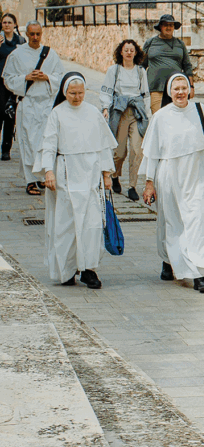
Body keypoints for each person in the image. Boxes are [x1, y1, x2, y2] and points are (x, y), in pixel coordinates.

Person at [141, 73, 204, 294]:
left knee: (198, 222)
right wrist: (149, 183)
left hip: (197, 176)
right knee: (173, 224)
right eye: (176, 89)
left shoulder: (201, 112)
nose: (181, 92)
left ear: (190, 90)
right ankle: (171, 261)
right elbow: (152, 155)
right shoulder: (161, 117)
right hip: (169, 177)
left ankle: (197, 273)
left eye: (184, 88)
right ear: (169, 92)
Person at [37, 72, 116, 288]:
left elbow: (103, 145)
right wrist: (48, 172)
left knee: (91, 225)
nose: (77, 97)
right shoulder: (57, 113)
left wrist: (106, 174)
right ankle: (68, 269)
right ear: (64, 92)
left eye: (81, 93)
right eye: (72, 93)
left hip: (90, 175)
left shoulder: (92, 113)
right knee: (66, 225)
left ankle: (89, 269)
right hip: (65, 175)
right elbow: (49, 144)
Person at [1, 20, 62, 195]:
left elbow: (60, 76)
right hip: (27, 103)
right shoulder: (17, 54)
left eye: (38, 34)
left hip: (46, 104)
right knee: (28, 143)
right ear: (26, 34)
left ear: (42, 34)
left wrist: (47, 77)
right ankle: (30, 180)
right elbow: (8, 79)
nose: (35, 37)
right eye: (32, 34)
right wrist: (26, 77)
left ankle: (43, 177)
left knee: (45, 142)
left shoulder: (51, 54)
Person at [101, 38, 151, 202]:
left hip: (136, 111)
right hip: (120, 111)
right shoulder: (114, 70)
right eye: (126, 50)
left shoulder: (140, 71)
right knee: (120, 151)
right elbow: (107, 91)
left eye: (132, 50)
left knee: (137, 150)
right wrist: (105, 107)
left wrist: (147, 115)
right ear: (121, 52)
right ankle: (115, 175)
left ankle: (132, 186)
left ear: (136, 52)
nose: (129, 52)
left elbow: (145, 94)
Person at [142, 15, 193, 114]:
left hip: (176, 88)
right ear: (160, 27)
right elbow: (142, 66)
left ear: (174, 28)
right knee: (158, 116)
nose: (168, 27)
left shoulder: (180, 44)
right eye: (165, 25)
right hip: (156, 88)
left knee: (176, 115)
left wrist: (191, 87)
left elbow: (187, 66)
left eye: (171, 25)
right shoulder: (150, 42)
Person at [0, 13, 25, 161]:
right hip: (0, 81)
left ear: (15, 24)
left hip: (14, 81)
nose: (7, 24)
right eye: (4, 22)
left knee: (10, 115)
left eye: (9, 22)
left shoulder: (20, 41)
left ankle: (6, 149)